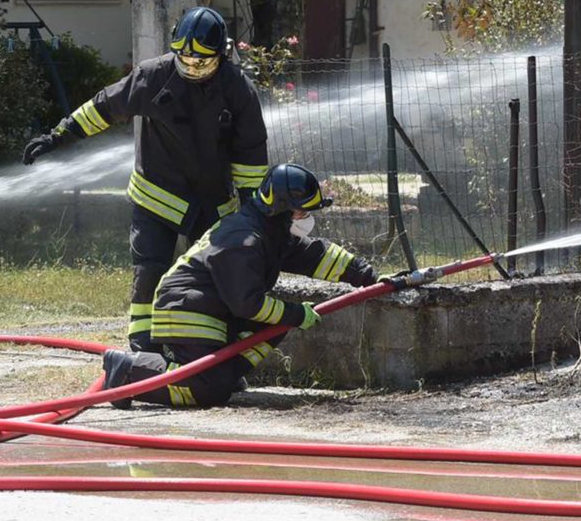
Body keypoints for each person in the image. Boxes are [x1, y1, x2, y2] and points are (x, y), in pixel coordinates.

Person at [23, 6, 269, 351]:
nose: (192, 67)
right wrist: (58, 135)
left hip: (211, 199)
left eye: (202, 63)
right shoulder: (153, 76)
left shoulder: (237, 89)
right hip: (157, 195)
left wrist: (252, 208)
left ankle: (210, 347)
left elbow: (251, 152)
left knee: (216, 271)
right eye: (185, 60)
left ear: (221, 56)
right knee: (149, 269)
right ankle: (142, 347)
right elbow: (105, 107)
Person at [99, 163, 378, 408]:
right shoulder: (244, 240)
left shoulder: (270, 231)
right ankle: (129, 369)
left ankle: (224, 374)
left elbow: (315, 255)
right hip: (188, 307)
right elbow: (248, 304)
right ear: (283, 207)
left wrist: (368, 276)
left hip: (214, 307)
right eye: (302, 212)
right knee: (205, 389)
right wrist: (295, 313)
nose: (307, 218)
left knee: (269, 330)